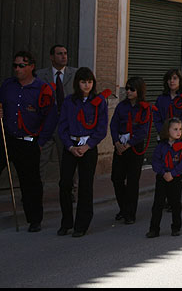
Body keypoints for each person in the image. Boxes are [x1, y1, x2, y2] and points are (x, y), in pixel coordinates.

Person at [0, 51, 58, 232]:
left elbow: (50, 117)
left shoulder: (43, 88)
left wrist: (40, 142)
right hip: (7, 138)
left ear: (31, 66)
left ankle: (34, 219)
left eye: (21, 66)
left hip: (29, 141)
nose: (17, 69)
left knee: (30, 182)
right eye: (15, 65)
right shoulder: (8, 85)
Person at [56, 67, 109, 237]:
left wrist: (88, 145)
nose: (86, 85)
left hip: (88, 147)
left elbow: (101, 128)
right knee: (65, 184)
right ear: (77, 83)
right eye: (83, 82)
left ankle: (82, 224)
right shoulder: (69, 101)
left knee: (85, 185)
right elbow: (62, 126)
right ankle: (66, 222)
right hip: (70, 146)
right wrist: (70, 146)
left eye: (89, 82)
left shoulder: (99, 102)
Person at [110, 76, 153, 224]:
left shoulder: (144, 108)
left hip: (134, 147)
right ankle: (123, 207)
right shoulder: (122, 106)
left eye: (132, 89)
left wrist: (129, 144)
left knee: (133, 180)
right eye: (127, 88)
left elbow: (143, 130)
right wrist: (116, 142)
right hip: (120, 145)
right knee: (116, 178)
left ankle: (130, 213)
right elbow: (114, 124)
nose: (128, 91)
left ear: (139, 91)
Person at [146, 118, 182, 238]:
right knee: (158, 204)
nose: (178, 132)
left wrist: (172, 174)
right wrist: (163, 173)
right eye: (175, 129)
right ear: (167, 131)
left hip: (176, 178)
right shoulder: (161, 146)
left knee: (175, 204)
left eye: (180, 129)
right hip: (162, 178)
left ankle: (176, 227)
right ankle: (154, 229)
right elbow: (156, 161)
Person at [36, 44, 77, 181]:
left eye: (65, 53)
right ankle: (35, 192)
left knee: (67, 161)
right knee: (40, 161)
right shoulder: (41, 75)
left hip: (66, 125)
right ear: (51, 57)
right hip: (46, 124)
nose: (64, 56)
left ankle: (71, 191)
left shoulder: (75, 74)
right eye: (59, 53)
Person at [153, 69, 182, 142]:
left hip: (180, 135)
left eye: (175, 78)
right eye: (169, 79)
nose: (171, 81)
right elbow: (156, 117)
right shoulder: (161, 99)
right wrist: (163, 131)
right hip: (164, 135)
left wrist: (176, 131)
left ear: (180, 80)